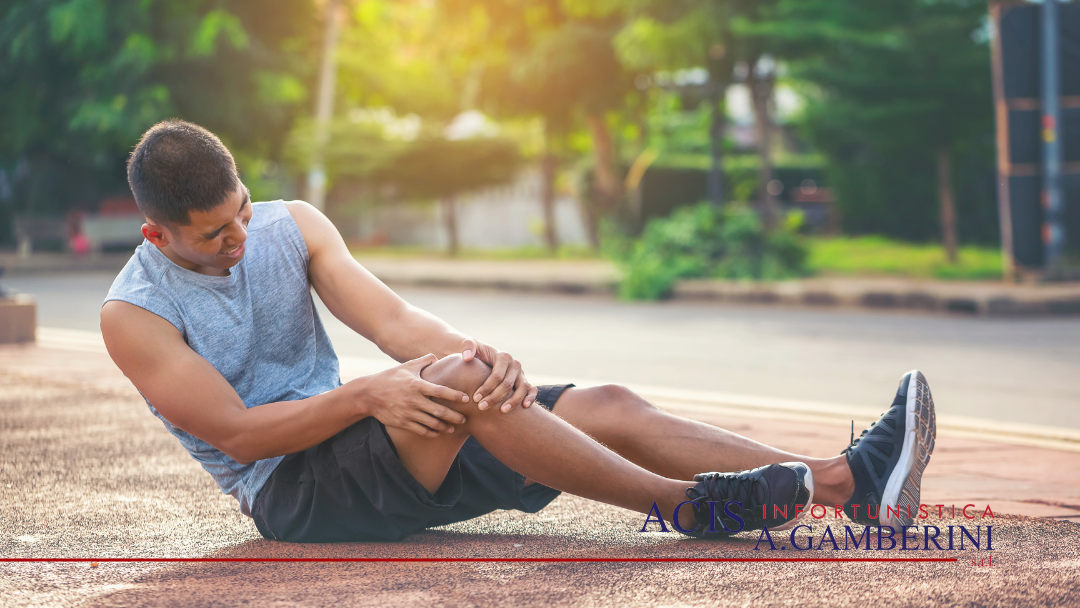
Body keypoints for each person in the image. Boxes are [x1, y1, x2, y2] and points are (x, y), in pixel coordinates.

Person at [101, 120, 937, 543]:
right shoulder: (133, 314)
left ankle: (846, 484)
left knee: (599, 400)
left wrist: (479, 356)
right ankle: (689, 508)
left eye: (242, 210)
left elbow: (394, 322)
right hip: (297, 493)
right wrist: (369, 396)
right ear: (159, 235)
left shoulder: (294, 225)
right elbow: (241, 438)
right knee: (455, 385)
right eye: (216, 235)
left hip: (386, 442)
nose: (241, 238)